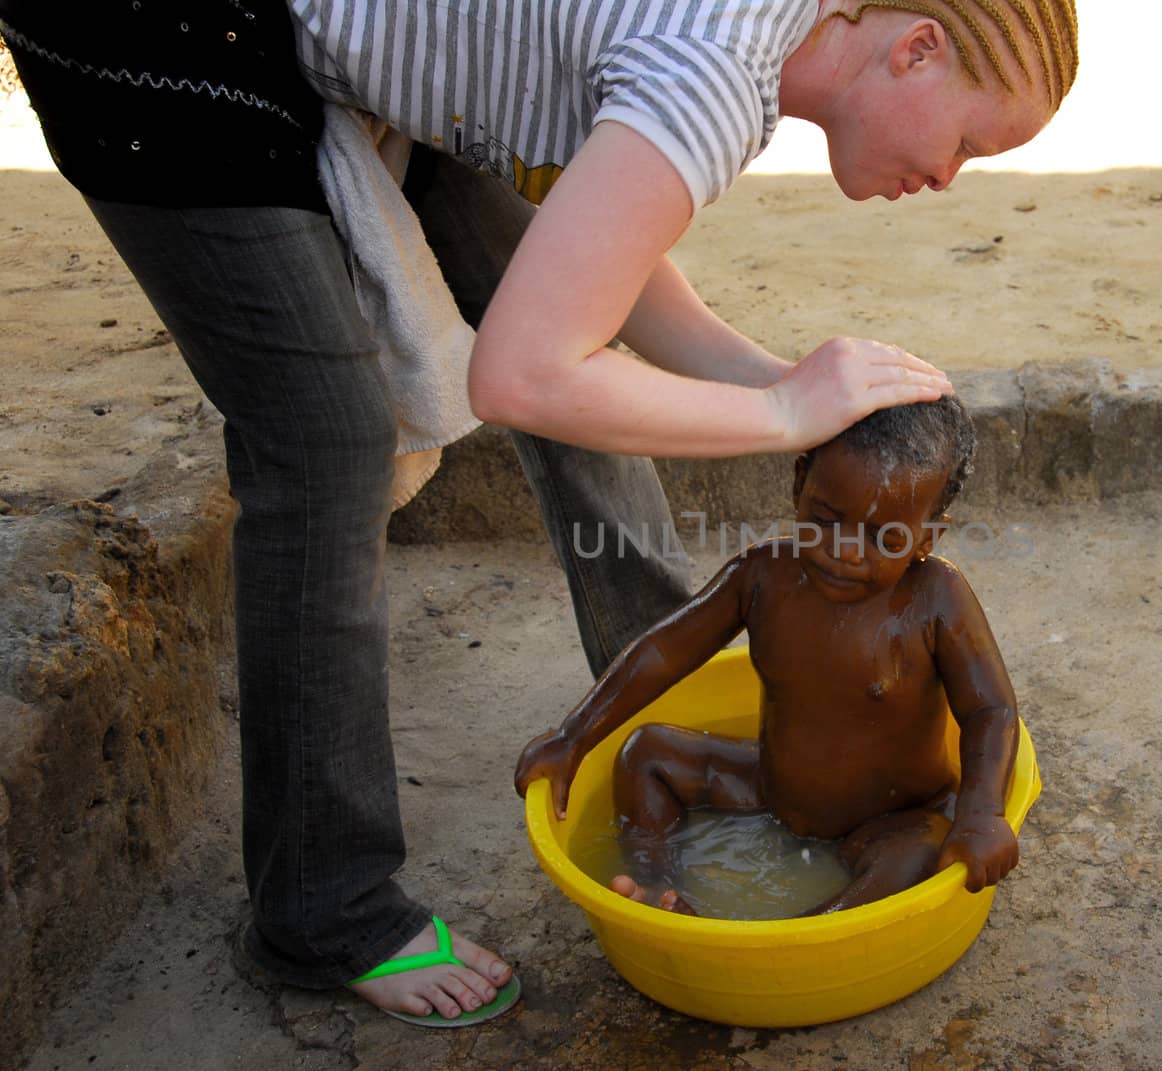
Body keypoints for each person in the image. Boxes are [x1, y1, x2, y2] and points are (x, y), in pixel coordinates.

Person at [0, 0, 1075, 1028]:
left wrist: (786, 394)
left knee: (577, 338)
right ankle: (319, 913)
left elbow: (593, 277)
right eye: (970, 145)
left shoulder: (736, 46)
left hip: (359, 45)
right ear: (917, 50)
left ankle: (676, 699)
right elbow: (518, 376)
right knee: (326, 444)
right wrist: (779, 407)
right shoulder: (712, 70)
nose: (945, 180)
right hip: (174, 32)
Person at [514, 397, 1022, 916]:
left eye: (883, 538)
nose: (845, 550)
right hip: (771, 790)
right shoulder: (761, 576)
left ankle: (804, 930)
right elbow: (664, 649)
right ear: (800, 484)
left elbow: (991, 710)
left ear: (926, 537)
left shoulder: (936, 596)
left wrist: (981, 813)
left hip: (894, 819)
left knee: (920, 855)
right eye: (826, 519)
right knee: (646, 753)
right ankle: (653, 886)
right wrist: (574, 736)